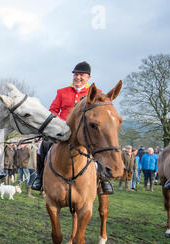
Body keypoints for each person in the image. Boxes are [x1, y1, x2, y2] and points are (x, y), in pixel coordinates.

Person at [31, 61, 114, 195]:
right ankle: (40, 179)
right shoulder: (62, 92)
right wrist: (58, 124)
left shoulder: (96, 93)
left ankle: (104, 180)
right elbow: (53, 110)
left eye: (82, 75)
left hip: (84, 133)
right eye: (76, 75)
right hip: (62, 131)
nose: (78, 78)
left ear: (88, 77)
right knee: (43, 146)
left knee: (98, 148)